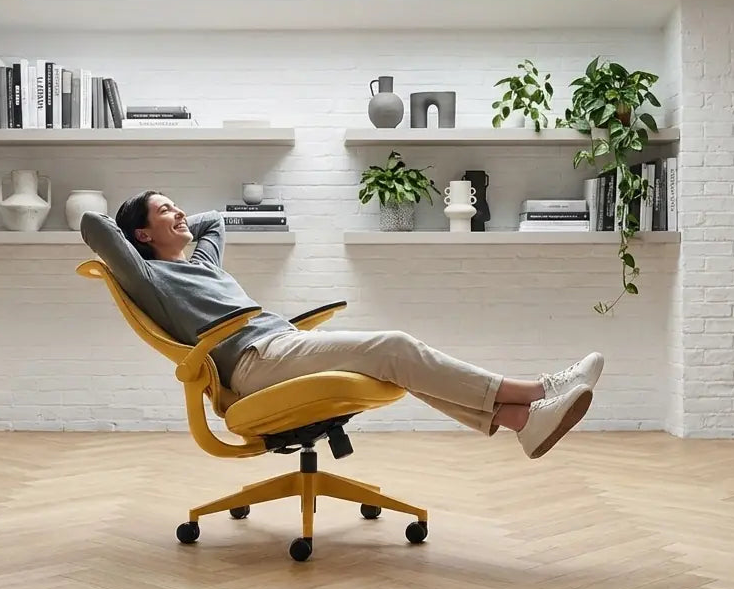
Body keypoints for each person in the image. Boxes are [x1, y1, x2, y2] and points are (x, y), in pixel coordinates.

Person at [79, 191, 602, 459]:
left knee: (394, 362)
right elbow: (95, 227)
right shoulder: (151, 277)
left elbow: (214, 220)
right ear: (142, 237)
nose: (180, 215)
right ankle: (537, 390)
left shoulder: (202, 265)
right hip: (253, 364)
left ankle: (520, 422)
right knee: (393, 345)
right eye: (166, 211)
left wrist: (177, 217)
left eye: (177, 207)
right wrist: (141, 229)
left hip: (281, 345)